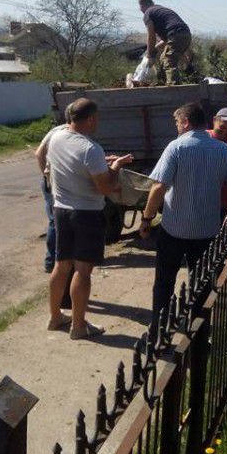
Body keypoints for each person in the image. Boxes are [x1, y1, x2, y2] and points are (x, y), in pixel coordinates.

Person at [139, 103, 227, 321]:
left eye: (177, 122)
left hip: (173, 230)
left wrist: (147, 218)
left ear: (186, 122)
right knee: (201, 282)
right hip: (206, 230)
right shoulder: (223, 150)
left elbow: (159, 187)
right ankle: (197, 330)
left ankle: (160, 326)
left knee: (165, 281)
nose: (177, 126)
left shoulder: (176, 147)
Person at [46, 98, 133, 339]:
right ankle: (78, 325)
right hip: (86, 214)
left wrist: (101, 165)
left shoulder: (57, 137)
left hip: (61, 210)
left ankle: (55, 317)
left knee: (61, 265)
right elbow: (105, 187)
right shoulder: (91, 148)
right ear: (91, 119)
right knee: (83, 271)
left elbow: (69, 165)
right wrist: (115, 167)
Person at [35, 120, 69, 273]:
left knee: (54, 221)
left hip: (50, 182)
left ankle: (53, 260)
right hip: (56, 183)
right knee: (56, 222)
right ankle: (53, 261)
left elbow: (39, 153)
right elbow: (39, 154)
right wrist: (49, 177)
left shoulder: (55, 131)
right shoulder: (67, 134)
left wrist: (46, 176)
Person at [138, 0, 192, 85]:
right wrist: (156, 48)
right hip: (186, 34)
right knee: (164, 57)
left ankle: (175, 88)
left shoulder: (148, 13)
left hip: (175, 34)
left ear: (142, 5)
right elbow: (167, 40)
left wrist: (149, 53)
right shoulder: (160, 9)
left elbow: (151, 36)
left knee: (168, 60)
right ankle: (192, 75)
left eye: (140, 8)